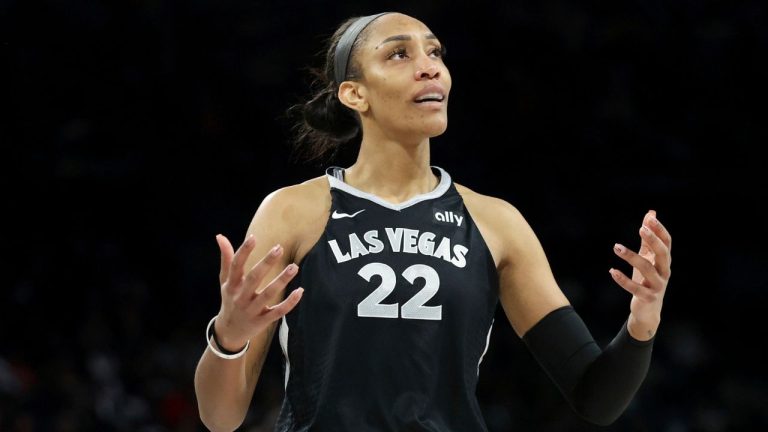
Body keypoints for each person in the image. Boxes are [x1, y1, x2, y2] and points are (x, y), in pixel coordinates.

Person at [193, 11, 672, 432]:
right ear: (355, 93)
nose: (430, 67)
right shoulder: (293, 211)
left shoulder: (496, 222)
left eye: (435, 52)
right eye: (398, 54)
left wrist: (641, 325)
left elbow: (596, 398)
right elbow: (221, 417)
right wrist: (228, 336)